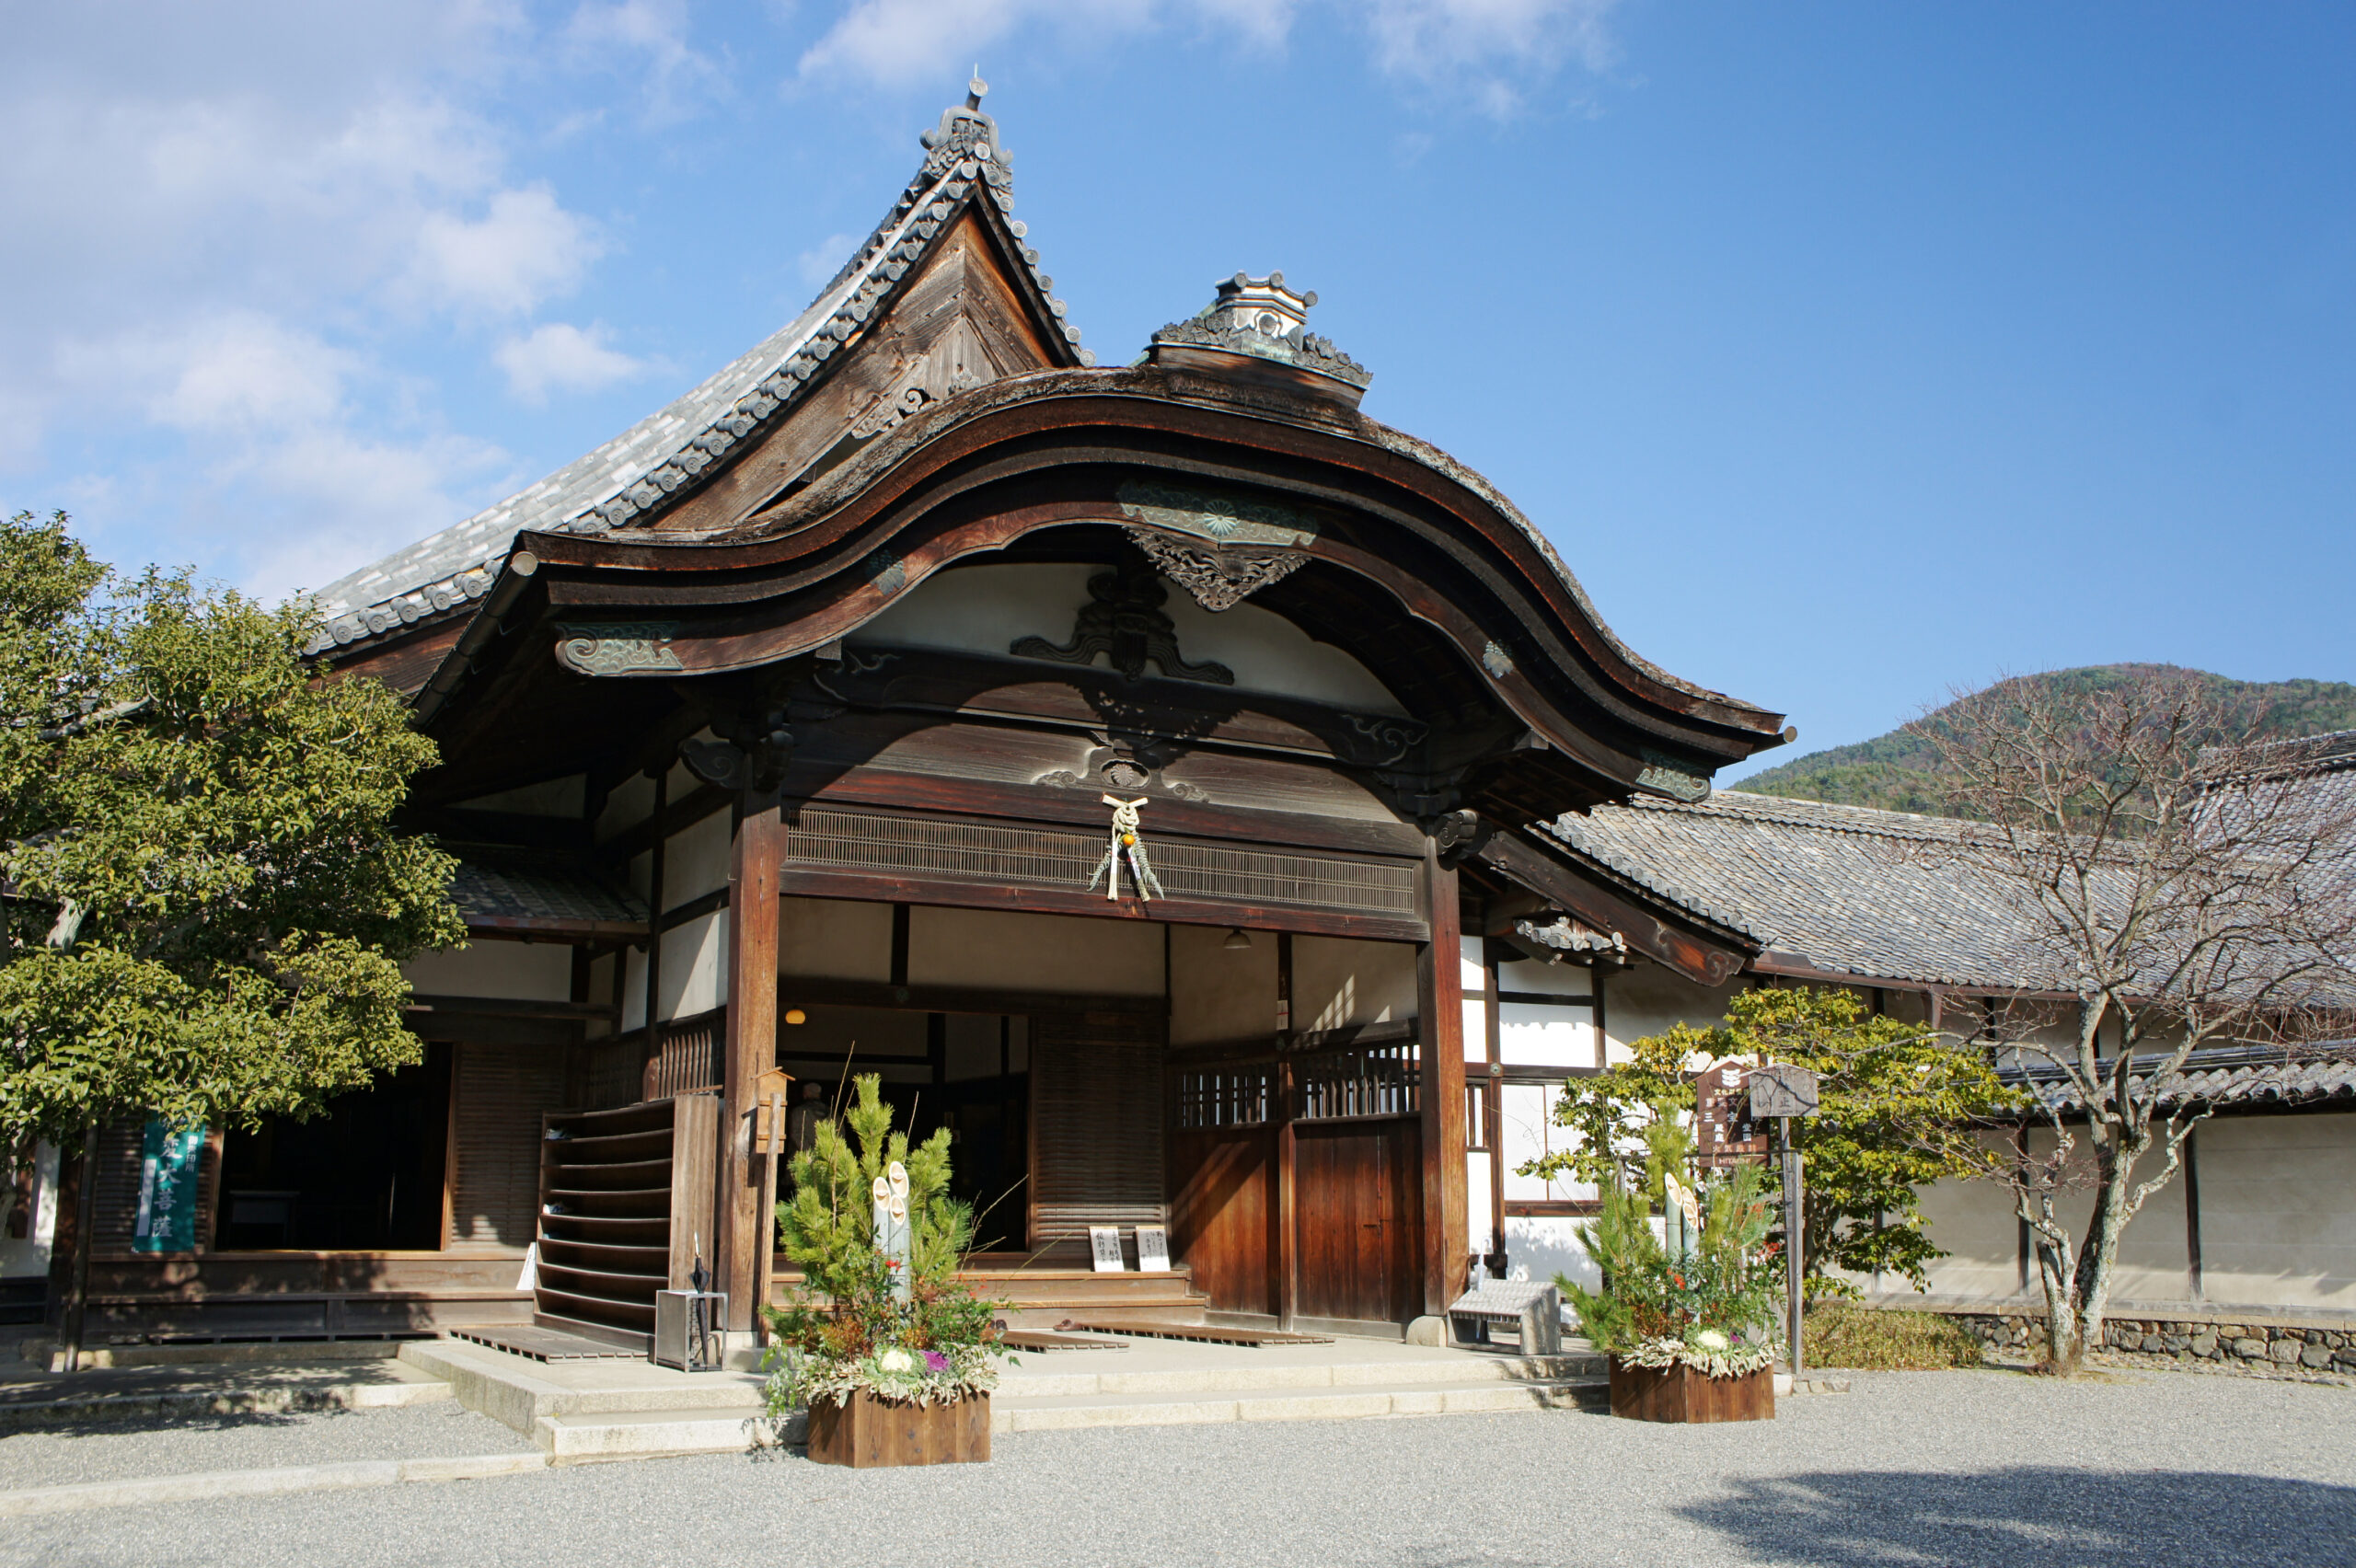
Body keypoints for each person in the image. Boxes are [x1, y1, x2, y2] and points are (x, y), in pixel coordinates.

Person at [787, 1080, 825, 1159]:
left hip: (801, 1159)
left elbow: (795, 1134)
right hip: (825, 1159)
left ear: (806, 1094)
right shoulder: (833, 1113)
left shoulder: (798, 1112)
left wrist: (810, 1153)